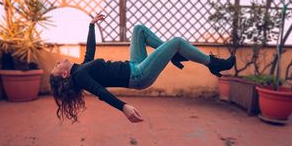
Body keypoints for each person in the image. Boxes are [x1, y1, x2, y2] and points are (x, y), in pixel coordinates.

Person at [49, 14, 235, 123]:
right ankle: (212, 63)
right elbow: (100, 92)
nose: (58, 62)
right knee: (177, 41)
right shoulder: (81, 75)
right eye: (56, 67)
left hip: (134, 65)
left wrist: (91, 25)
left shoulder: (81, 68)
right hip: (138, 76)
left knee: (139, 29)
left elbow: (90, 52)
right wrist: (124, 107)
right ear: (64, 74)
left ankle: (175, 55)